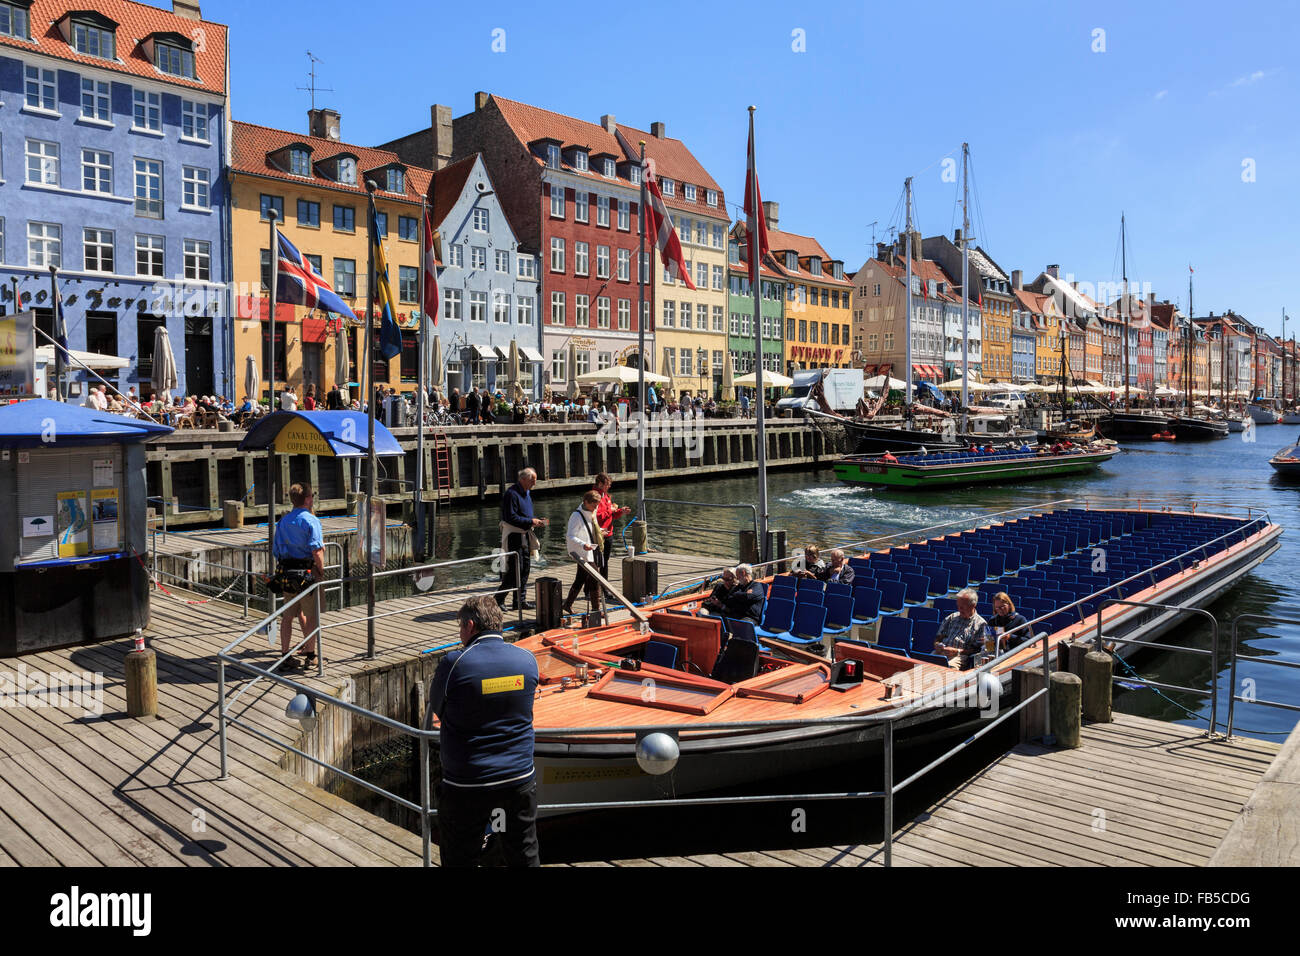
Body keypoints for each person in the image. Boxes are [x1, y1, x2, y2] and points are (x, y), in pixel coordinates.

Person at [426, 595, 540, 867]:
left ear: (469, 625)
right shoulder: (527, 659)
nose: (459, 633)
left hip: (467, 781)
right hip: (518, 777)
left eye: (460, 626)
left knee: (460, 855)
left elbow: (439, 709)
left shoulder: (453, 663)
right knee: (524, 852)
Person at [272, 482, 324, 670]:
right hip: (307, 574)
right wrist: (321, 570)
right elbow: (317, 551)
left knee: (287, 616)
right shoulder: (311, 521)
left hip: (287, 573)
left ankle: (285, 655)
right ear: (308, 499)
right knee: (311, 616)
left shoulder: (283, 521)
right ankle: (311, 655)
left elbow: (276, 551)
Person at [498, 468, 547, 610]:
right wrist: (531, 521)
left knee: (525, 569)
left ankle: (520, 600)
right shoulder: (511, 494)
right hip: (514, 535)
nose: (534, 483)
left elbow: (525, 514)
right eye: (532, 480)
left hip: (525, 533)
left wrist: (536, 521)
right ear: (523, 479)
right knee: (514, 570)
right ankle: (498, 599)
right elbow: (510, 517)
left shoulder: (527, 492)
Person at [562, 490, 607, 618]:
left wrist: (600, 532)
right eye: (593, 505)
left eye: (597, 505)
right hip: (582, 552)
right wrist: (583, 544)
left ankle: (567, 604)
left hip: (588, 551)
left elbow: (588, 530)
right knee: (594, 577)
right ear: (586, 502)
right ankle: (596, 609)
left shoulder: (590, 512)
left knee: (580, 578)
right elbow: (570, 535)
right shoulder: (576, 516)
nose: (595, 508)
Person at [934, 588, 987, 670]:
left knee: (948, 668)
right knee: (922, 663)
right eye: (958, 606)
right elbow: (938, 638)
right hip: (941, 652)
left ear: (973, 605)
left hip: (959, 656)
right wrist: (937, 645)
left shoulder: (981, 624)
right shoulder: (952, 617)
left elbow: (977, 650)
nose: (959, 609)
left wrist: (957, 651)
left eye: (962, 607)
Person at [592, 473, 631, 569]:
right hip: (598, 534)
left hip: (609, 533)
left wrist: (621, 511)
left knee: (605, 561)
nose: (609, 486)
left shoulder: (605, 495)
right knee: (596, 562)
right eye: (607, 484)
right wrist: (610, 510)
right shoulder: (594, 496)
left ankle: (604, 583)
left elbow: (611, 515)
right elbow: (597, 516)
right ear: (600, 484)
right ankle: (596, 583)